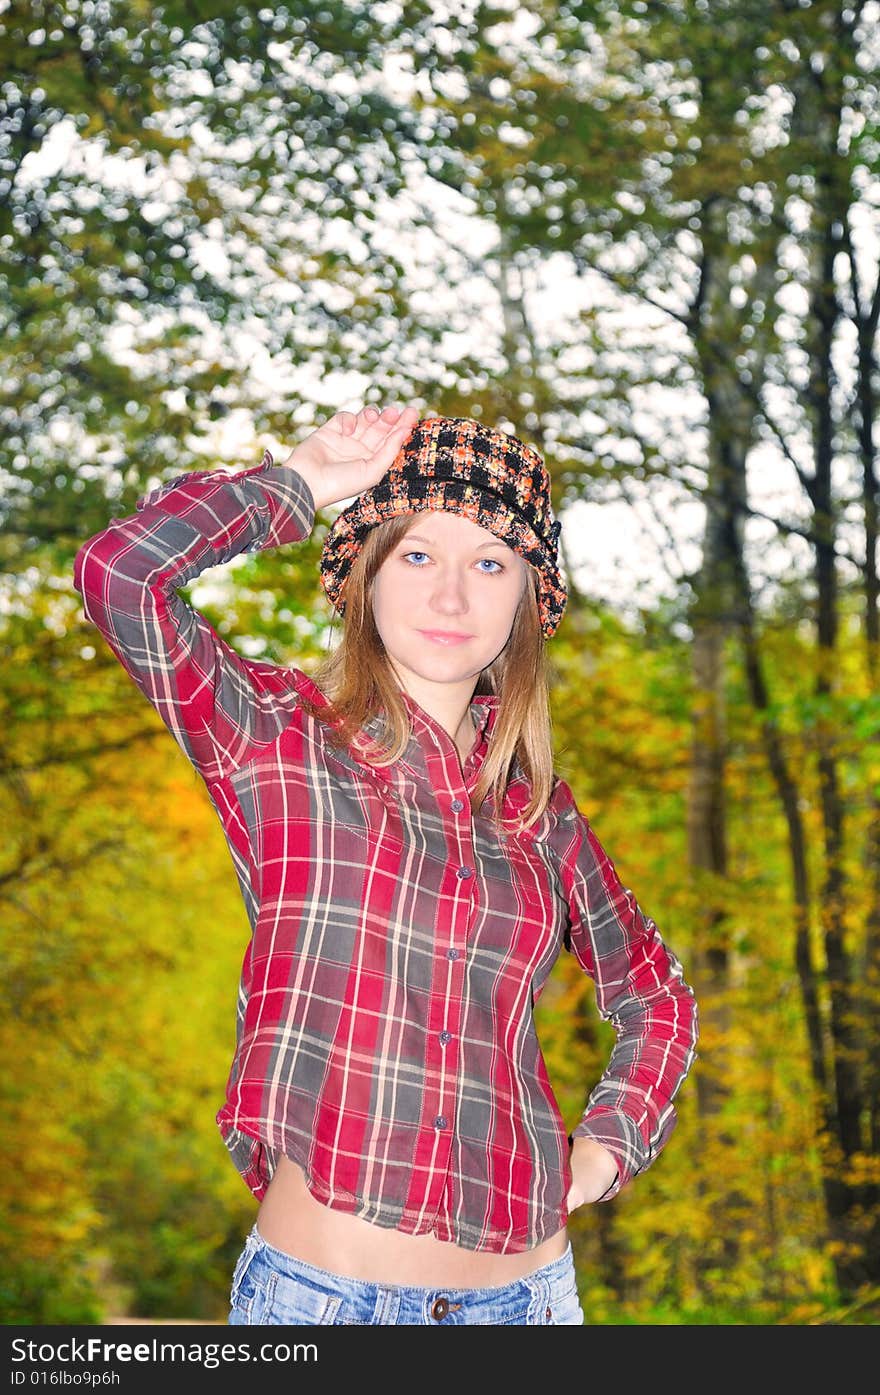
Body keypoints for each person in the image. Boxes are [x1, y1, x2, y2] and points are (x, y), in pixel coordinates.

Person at [73, 404, 699, 1327]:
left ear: (526, 600)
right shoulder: (274, 735)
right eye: (418, 554)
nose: (452, 596)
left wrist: (609, 1145)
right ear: (365, 576)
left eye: (490, 562)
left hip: (528, 1302)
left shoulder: (540, 811)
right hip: (322, 1303)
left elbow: (658, 995)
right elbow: (119, 573)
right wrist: (300, 481)